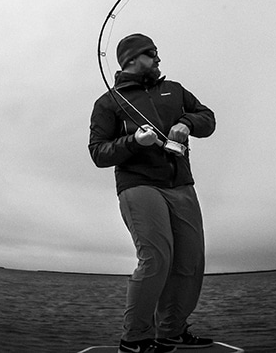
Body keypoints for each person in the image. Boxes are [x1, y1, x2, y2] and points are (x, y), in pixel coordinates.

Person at [89, 33, 217, 353]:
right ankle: (134, 338)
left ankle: (171, 331)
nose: (158, 59)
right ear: (132, 59)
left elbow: (208, 119)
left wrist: (187, 123)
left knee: (189, 260)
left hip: (181, 185)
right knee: (157, 258)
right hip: (138, 185)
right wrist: (134, 142)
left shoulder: (175, 90)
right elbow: (99, 154)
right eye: (152, 53)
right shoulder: (108, 103)